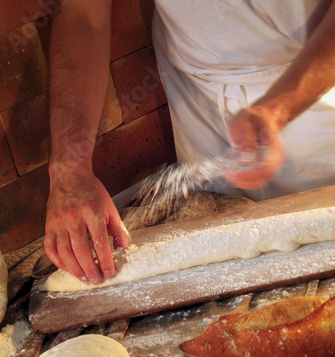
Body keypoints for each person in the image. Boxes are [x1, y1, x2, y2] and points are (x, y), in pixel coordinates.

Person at [44, 0, 335, 286]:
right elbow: (84, 16)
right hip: (199, 96)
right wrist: (69, 168)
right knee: (226, 268)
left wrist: (276, 110)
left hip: (312, 85)